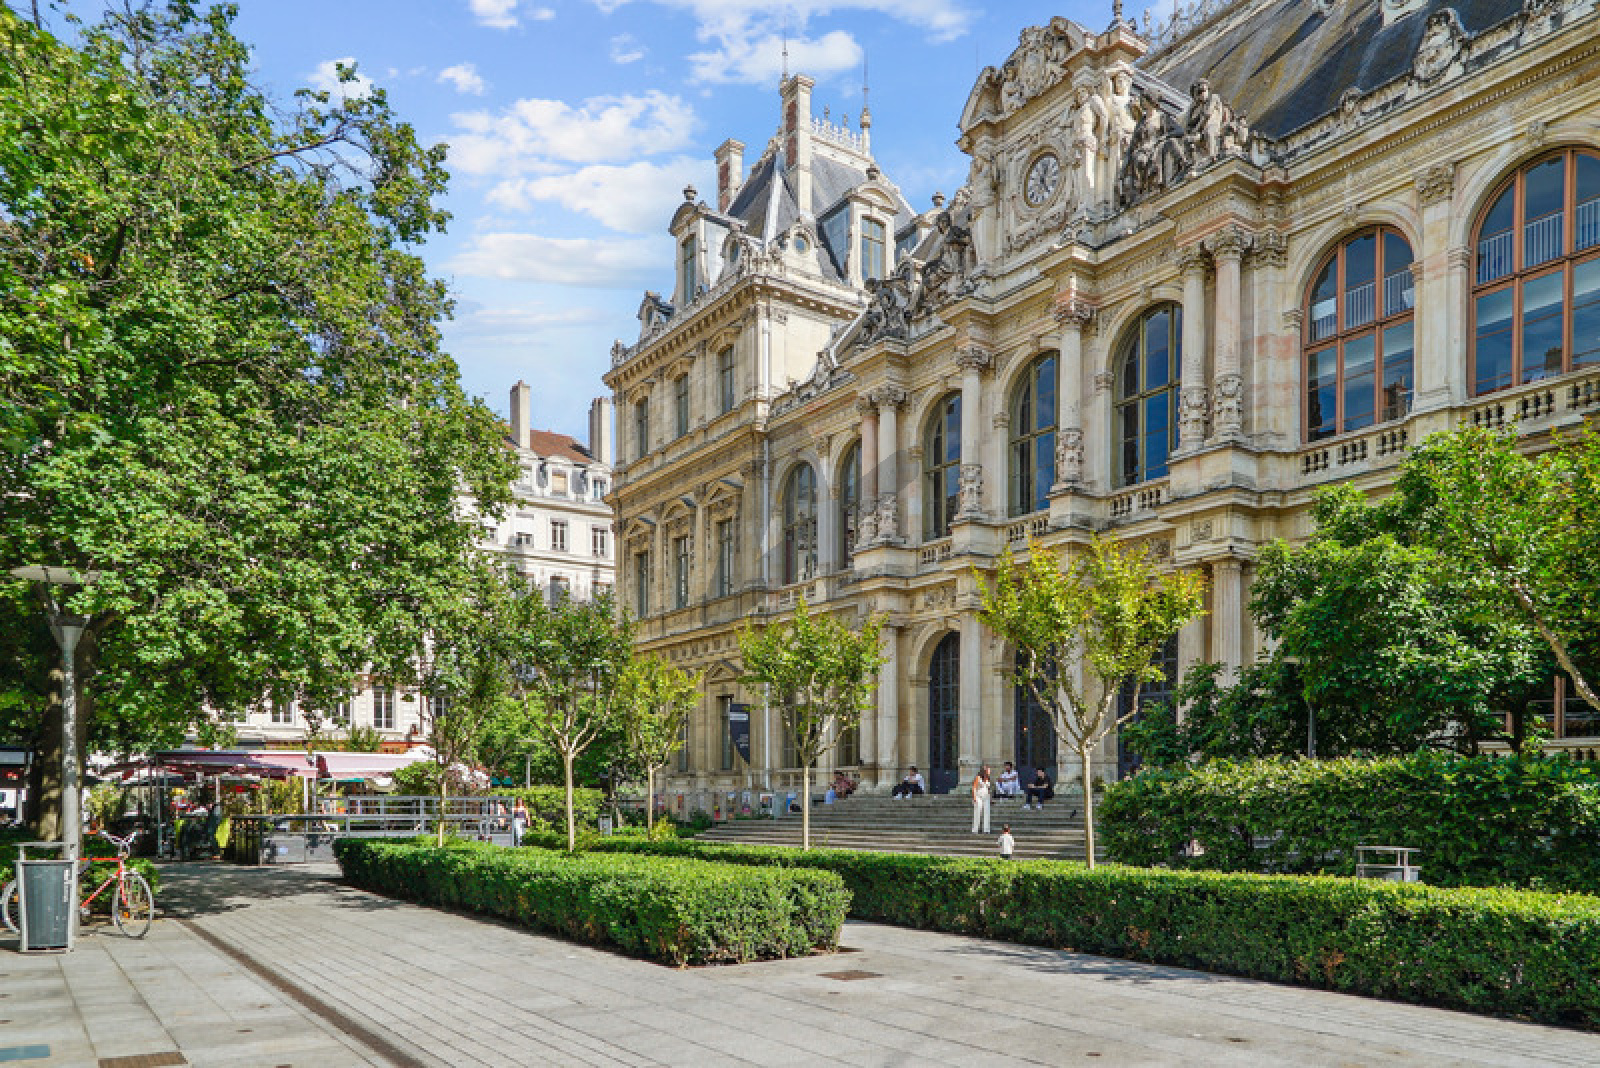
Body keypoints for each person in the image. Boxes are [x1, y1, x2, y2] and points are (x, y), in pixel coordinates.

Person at [970, 766, 992, 834]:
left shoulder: (988, 779)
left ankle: (986, 829)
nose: (989, 772)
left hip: (986, 797)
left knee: (987, 812)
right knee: (977, 812)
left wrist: (990, 798)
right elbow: (974, 787)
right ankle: (975, 829)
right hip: (978, 797)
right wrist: (974, 797)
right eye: (988, 770)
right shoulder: (978, 778)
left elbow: (988, 789)